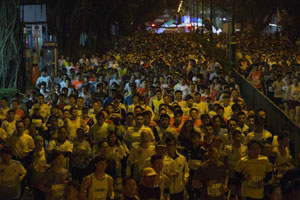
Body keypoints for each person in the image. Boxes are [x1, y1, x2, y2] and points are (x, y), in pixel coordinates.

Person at [165, 136, 189, 200]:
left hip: (179, 189)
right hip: (168, 190)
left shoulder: (182, 158)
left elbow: (186, 171)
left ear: (175, 146)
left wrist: (186, 178)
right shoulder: (163, 159)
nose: (169, 147)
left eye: (171, 145)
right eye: (168, 145)